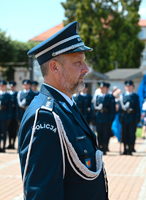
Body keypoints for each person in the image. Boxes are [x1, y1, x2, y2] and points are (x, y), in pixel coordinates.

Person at [18, 21, 108, 200]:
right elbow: (43, 194)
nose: (86, 69)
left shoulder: (66, 107)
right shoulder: (45, 116)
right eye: (78, 62)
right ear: (54, 67)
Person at [94, 82, 116, 155]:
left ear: (107, 88)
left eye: (103, 88)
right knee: (99, 133)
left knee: (106, 133)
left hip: (106, 117)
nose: (102, 89)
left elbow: (112, 110)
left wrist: (111, 119)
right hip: (99, 117)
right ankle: (100, 147)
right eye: (100, 88)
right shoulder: (97, 97)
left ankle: (105, 147)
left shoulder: (110, 97)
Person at [119, 80, 140, 155]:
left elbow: (138, 108)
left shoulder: (135, 96)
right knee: (124, 134)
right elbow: (120, 109)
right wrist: (120, 117)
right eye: (127, 86)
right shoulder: (122, 96)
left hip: (132, 117)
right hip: (124, 117)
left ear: (132, 87)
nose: (128, 87)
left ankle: (130, 148)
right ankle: (125, 148)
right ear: (125, 87)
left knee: (131, 134)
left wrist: (137, 118)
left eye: (130, 86)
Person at [0, 80, 12, 152]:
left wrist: (9, 117)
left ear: (5, 87)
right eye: (0, 86)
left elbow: (9, 108)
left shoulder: (8, 96)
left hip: (4, 116)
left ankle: (3, 147)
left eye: (3, 86)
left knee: (4, 132)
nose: (1, 87)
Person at [7, 81, 18, 149]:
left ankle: (13, 143)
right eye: (11, 86)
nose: (12, 87)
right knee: (9, 130)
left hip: (15, 115)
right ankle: (9, 143)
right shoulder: (7, 94)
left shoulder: (17, 94)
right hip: (8, 115)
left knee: (14, 130)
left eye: (13, 86)